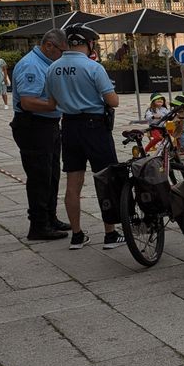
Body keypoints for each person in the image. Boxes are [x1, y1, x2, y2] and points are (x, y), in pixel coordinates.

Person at [44, 24, 122, 251]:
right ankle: (110, 234)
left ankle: (77, 235)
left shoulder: (52, 68)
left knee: (72, 183)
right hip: (94, 127)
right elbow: (113, 101)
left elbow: (51, 103)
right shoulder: (93, 67)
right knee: (106, 178)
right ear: (88, 44)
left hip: (68, 125)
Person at [12, 29, 71, 241]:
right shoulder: (32, 65)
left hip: (49, 124)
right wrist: (57, 103)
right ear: (48, 45)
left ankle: (50, 218)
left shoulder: (47, 63)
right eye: (61, 51)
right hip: (34, 126)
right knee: (39, 176)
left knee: (52, 173)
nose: (63, 56)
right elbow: (28, 102)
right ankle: (38, 226)